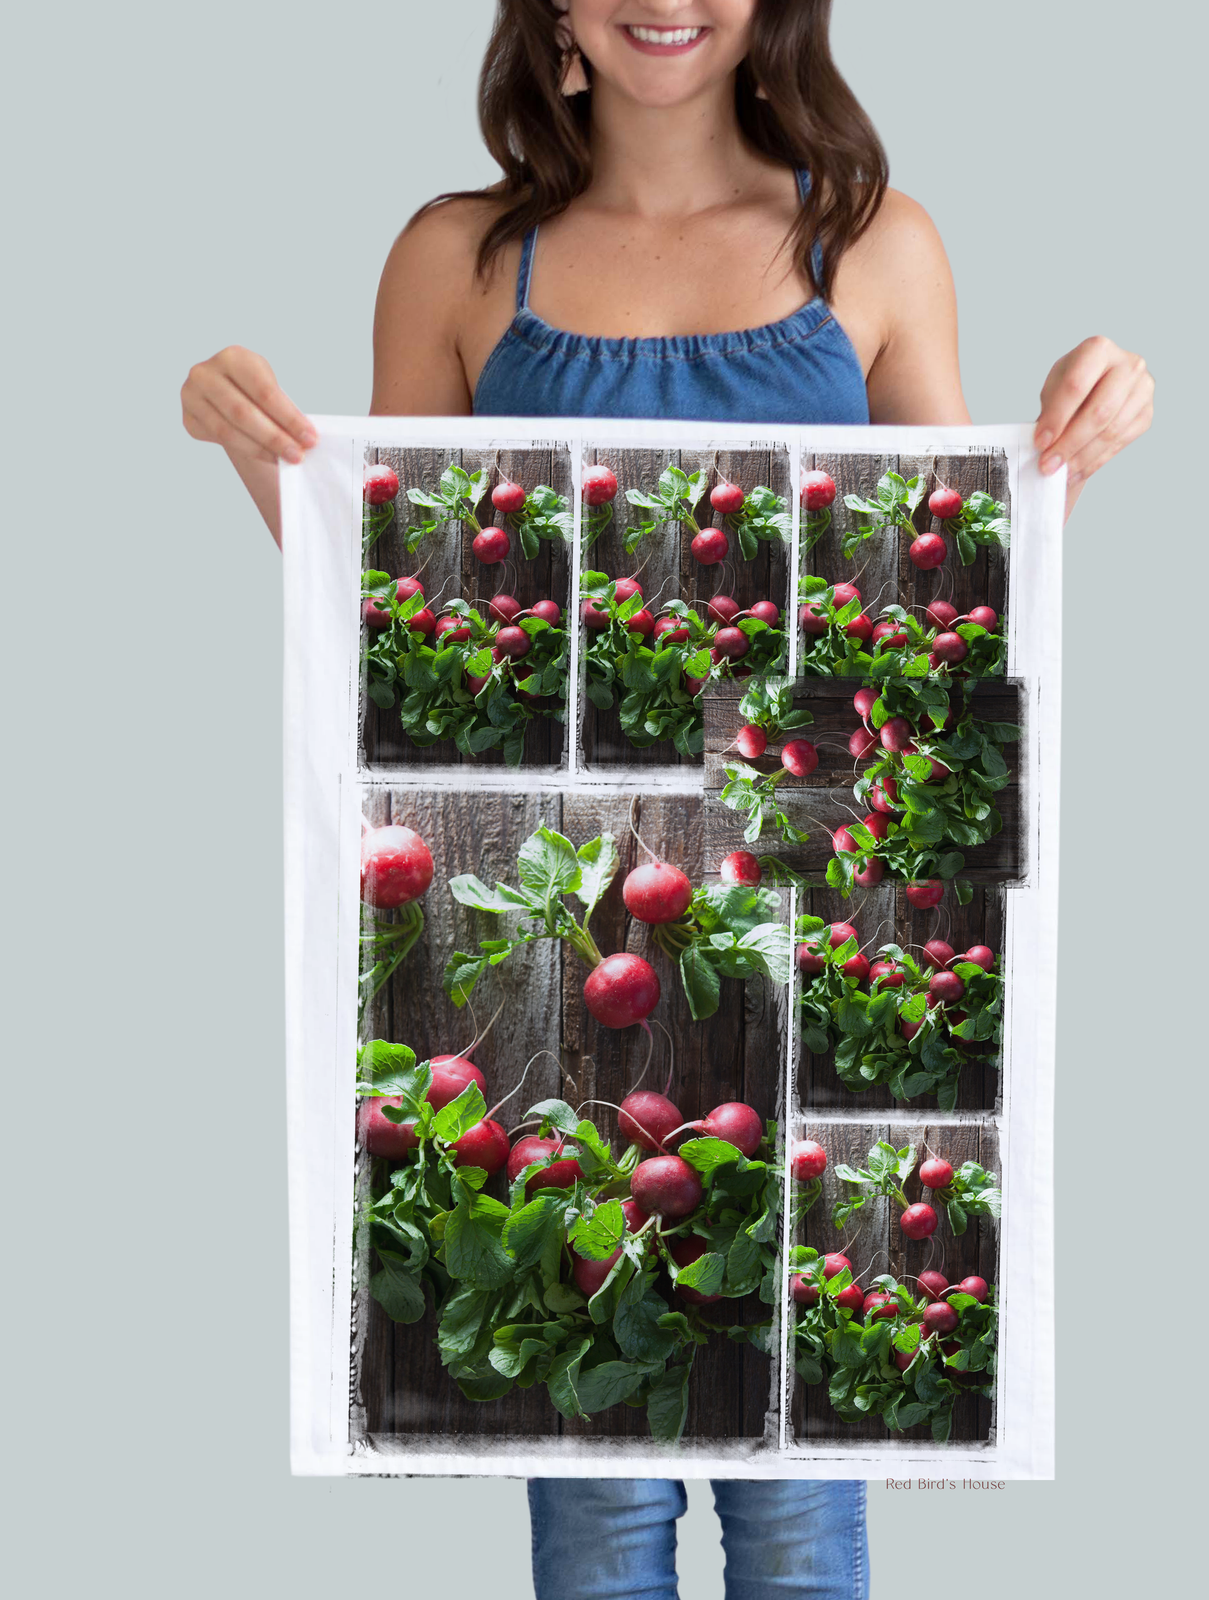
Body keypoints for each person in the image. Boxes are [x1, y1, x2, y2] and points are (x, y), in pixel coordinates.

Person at [181, 4, 1152, 1596]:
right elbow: (398, 588)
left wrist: (1069, 454)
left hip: (816, 834)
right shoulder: (457, 258)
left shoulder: (879, 245)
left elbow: (949, 589)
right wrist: (255, 451)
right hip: (570, 846)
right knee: (600, 1483)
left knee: (800, 1496)